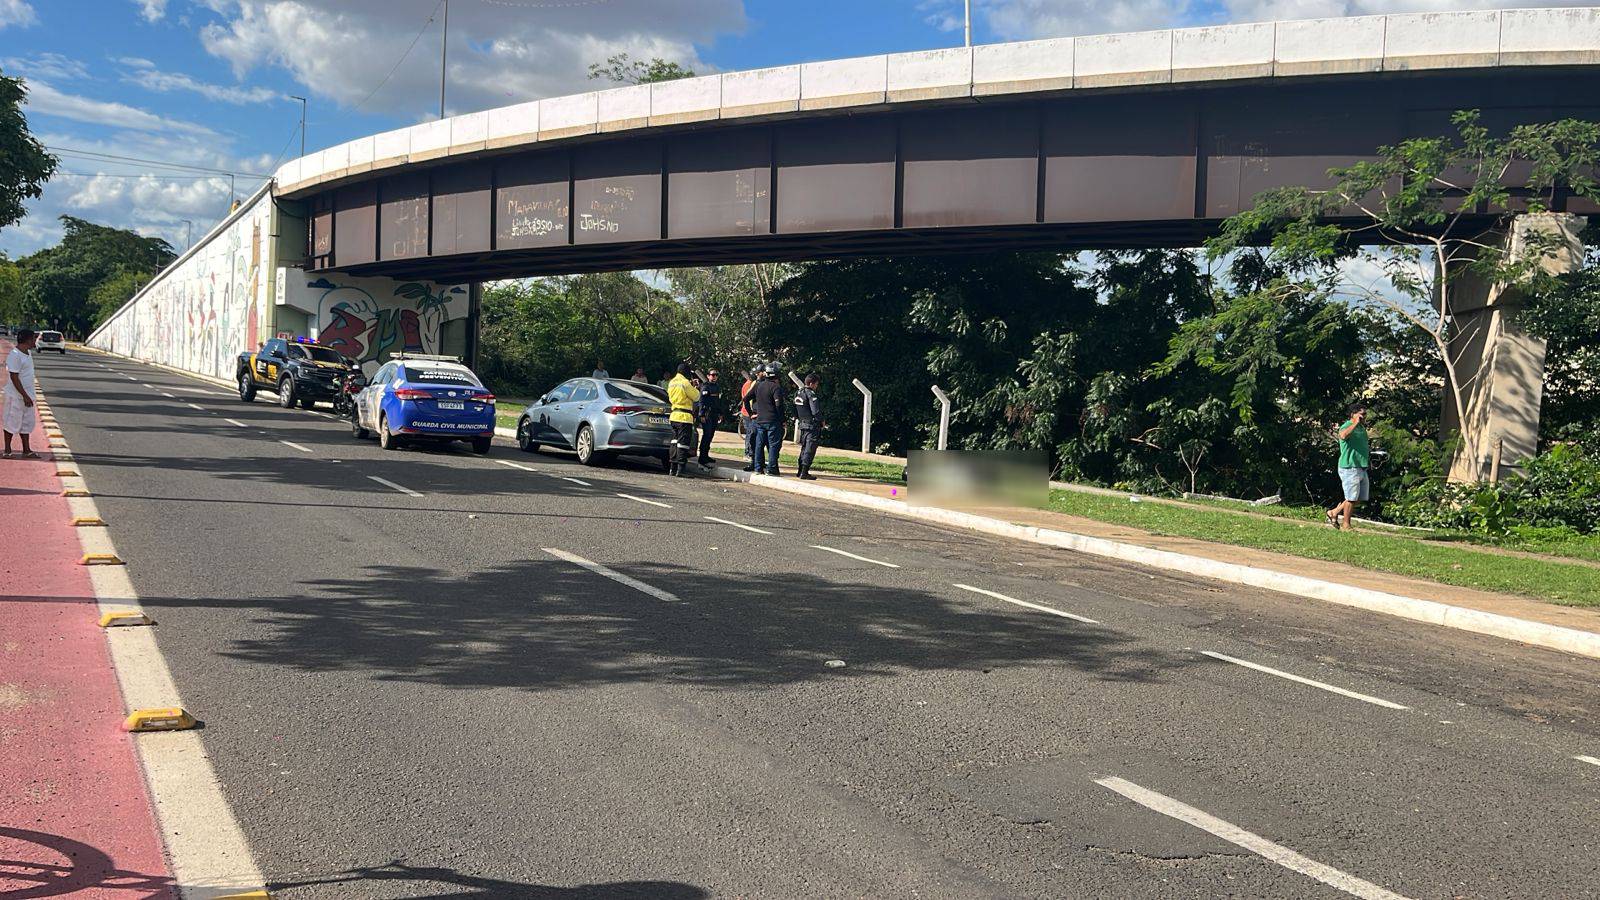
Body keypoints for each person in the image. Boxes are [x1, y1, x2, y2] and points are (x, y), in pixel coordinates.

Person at [1326, 403, 1370, 530]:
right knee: (1351, 498)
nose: (1364, 416)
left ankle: (1334, 512)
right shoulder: (1346, 426)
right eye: (1361, 414)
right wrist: (1355, 423)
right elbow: (1343, 436)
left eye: (1365, 414)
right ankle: (1346, 525)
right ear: (1353, 414)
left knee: (1359, 498)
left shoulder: (1362, 428)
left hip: (1361, 466)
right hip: (1350, 467)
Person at [743, 362, 786, 476]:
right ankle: (771, 469)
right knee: (773, 445)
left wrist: (750, 413)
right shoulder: (776, 388)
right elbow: (779, 406)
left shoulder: (758, 385)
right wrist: (783, 420)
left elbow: (746, 399)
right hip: (773, 421)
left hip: (760, 420)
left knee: (759, 444)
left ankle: (758, 468)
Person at [3, 329, 39, 459]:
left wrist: (28, 396)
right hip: (16, 396)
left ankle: (26, 450)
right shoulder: (15, 355)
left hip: (28, 395)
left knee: (26, 423)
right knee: (11, 422)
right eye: (34, 338)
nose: (35, 341)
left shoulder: (27, 353)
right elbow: (14, 377)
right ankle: (7, 450)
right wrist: (24, 395)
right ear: (28, 340)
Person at [666, 363, 700, 477]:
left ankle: (672, 468)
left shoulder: (672, 382)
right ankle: (681, 470)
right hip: (684, 417)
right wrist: (695, 387)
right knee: (683, 444)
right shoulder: (685, 382)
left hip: (674, 415)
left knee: (674, 442)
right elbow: (696, 396)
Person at [792, 373, 823, 480]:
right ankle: (804, 472)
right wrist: (821, 420)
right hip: (811, 425)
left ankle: (800, 470)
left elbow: (794, 409)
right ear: (811, 384)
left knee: (804, 447)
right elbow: (815, 411)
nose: (816, 386)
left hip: (802, 424)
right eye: (816, 384)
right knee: (810, 448)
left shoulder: (798, 393)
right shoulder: (811, 394)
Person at [696, 368, 723, 468]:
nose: (714, 377)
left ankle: (706, 455)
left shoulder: (717, 387)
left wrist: (720, 413)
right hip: (707, 413)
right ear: (708, 376)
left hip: (714, 414)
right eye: (712, 375)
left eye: (716, 375)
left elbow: (718, 402)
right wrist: (701, 414)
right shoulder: (705, 387)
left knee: (710, 435)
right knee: (706, 435)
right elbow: (702, 401)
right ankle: (702, 457)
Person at [739, 368, 759, 471]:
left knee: (750, 434)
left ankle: (750, 454)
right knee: (750, 434)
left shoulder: (750, 384)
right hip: (748, 413)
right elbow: (747, 399)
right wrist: (751, 412)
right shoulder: (750, 385)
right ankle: (748, 453)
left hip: (748, 412)